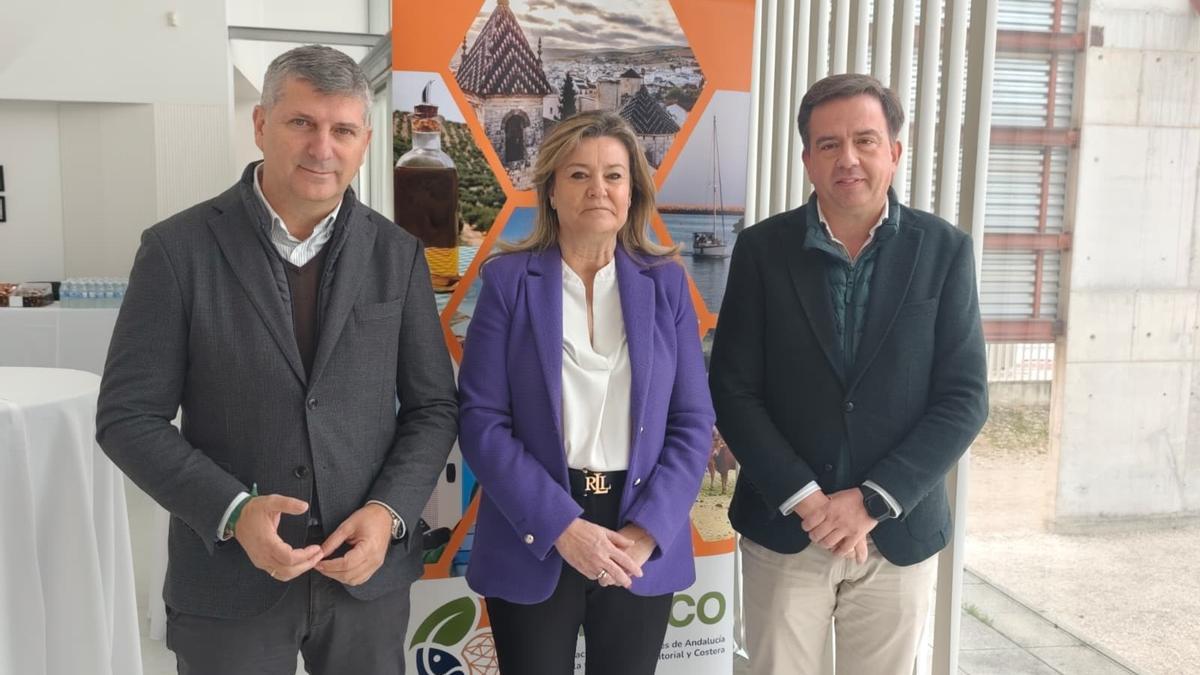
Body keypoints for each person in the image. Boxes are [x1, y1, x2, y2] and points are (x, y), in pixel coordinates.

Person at [96, 45, 458, 674]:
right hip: (227, 581)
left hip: (363, 580)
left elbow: (431, 406)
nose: (323, 147)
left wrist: (387, 513)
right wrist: (234, 514)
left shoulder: (397, 255)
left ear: (365, 140)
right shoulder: (177, 251)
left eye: (342, 129)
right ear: (261, 125)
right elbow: (128, 418)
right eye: (302, 123)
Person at [709, 73, 988, 674]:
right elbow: (732, 388)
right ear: (807, 158)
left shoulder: (944, 251)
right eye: (828, 144)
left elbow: (963, 398)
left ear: (895, 150)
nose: (849, 158)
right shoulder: (761, 250)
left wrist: (871, 501)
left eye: (865, 139)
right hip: (786, 527)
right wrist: (809, 501)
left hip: (897, 529)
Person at [457, 111, 715, 675]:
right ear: (551, 190)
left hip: (638, 533)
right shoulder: (507, 282)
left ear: (633, 192)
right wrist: (561, 527)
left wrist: (648, 532)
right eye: (578, 175)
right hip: (536, 527)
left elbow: (693, 421)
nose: (598, 188)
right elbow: (481, 420)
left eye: (614, 175)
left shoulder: (667, 283)